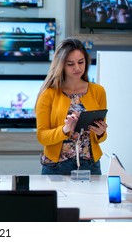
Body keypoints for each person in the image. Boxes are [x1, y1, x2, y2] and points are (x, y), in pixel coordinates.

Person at [35, 37, 108, 175]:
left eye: (81, 62)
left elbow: (101, 137)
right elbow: (42, 136)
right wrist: (65, 129)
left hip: (90, 166)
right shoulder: (48, 94)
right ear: (61, 65)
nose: (77, 68)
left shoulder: (98, 91)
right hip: (56, 167)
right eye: (70, 64)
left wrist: (101, 133)